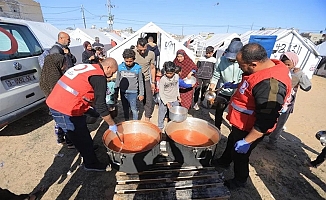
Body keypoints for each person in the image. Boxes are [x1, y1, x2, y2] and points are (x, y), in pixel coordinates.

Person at [211, 43, 292, 189]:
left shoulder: (270, 84)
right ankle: (224, 162)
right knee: (231, 142)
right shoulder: (262, 68)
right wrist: (237, 86)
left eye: (241, 65)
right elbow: (252, 88)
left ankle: (240, 180)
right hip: (241, 124)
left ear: (253, 64)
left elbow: (266, 120)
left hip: (251, 129)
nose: (239, 67)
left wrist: (247, 141)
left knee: (240, 155)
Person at [46, 58, 118, 171]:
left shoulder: (91, 67)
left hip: (66, 100)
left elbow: (85, 91)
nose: (111, 75)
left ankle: (88, 147)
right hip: (63, 107)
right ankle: (91, 164)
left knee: (82, 130)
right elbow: (101, 105)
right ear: (108, 67)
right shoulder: (99, 77)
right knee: (79, 136)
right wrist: (111, 124)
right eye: (112, 72)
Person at [266, 52, 311, 149]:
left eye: (288, 65)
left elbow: (307, 87)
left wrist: (300, 74)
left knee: (279, 124)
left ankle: (272, 142)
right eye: (284, 63)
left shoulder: (296, 75)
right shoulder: (275, 70)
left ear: (294, 64)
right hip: (273, 101)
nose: (286, 66)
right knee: (267, 119)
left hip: (287, 105)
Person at [39, 53, 75, 148]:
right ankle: (70, 142)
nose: (66, 65)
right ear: (58, 63)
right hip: (58, 104)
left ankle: (60, 139)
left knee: (58, 123)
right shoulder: (54, 77)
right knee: (66, 123)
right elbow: (59, 92)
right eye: (64, 63)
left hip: (52, 103)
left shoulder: (46, 73)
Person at [208, 41, 243, 130]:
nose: (231, 59)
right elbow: (216, 76)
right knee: (219, 111)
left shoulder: (243, 63)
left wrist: (236, 86)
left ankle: (234, 128)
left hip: (238, 93)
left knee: (235, 113)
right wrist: (211, 89)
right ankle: (217, 128)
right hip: (223, 91)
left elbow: (245, 79)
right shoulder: (221, 61)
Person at [115, 49, 144, 120]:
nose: (128, 63)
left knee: (134, 108)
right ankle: (127, 121)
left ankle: (135, 122)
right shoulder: (120, 67)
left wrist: (141, 93)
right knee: (125, 108)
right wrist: (116, 92)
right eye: (126, 61)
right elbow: (117, 80)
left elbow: (140, 81)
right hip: (123, 91)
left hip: (133, 92)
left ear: (134, 59)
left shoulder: (138, 68)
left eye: (130, 61)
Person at [134, 38, 156, 121]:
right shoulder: (133, 53)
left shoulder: (151, 54)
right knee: (133, 97)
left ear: (147, 46)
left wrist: (153, 82)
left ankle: (147, 116)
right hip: (134, 79)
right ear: (137, 47)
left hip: (146, 78)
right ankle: (133, 113)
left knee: (149, 98)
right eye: (140, 50)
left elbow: (152, 68)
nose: (143, 52)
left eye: (144, 49)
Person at [158, 61, 180, 131]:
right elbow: (161, 92)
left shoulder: (176, 76)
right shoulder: (163, 79)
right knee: (161, 115)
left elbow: (177, 87)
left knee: (174, 115)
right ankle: (160, 128)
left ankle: (171, 128)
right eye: (167, 73)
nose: (169, 75)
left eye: (171, 73)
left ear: (174, 71)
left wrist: (178, 95)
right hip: (165, 100)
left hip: (174, 99)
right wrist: (166, 102)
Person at [193, 46, 216, 110]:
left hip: (207, 77)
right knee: (197, 89)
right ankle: (195, 103)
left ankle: (201, 102)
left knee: (204, 90)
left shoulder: (214, 60)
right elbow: (197, 67)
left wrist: (213, 78)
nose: (208, 54)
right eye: (207, 53)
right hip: (199, 76)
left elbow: (214, 69)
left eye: (209, 53)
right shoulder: (201, 58)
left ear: (212, 53)